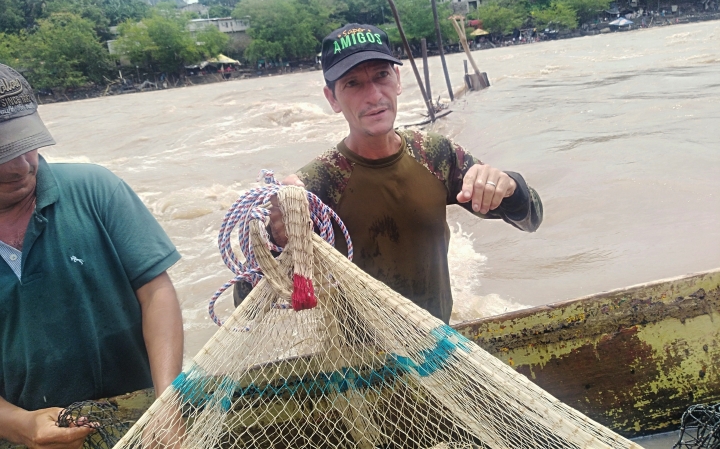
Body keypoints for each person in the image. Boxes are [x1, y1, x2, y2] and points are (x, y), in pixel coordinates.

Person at [234, 23, 543, 323]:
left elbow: (531, 219)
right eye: (352, 84)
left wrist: (510, 187)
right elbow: (248, 308)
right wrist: (274, 245)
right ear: (332, 99)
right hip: (358, 363)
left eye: (381, 76)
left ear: (397, 79)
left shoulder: (434, 155)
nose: (373, 95)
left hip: (437, 346)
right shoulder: (314, 188)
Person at [0, 64, 184, 449]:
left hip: (139, 421)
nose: (20, 166)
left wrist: (167, 403)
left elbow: (156, 294)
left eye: (24, 144)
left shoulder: (96, 190)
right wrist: (19, 424)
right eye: (2, 153)